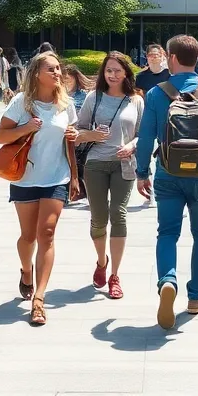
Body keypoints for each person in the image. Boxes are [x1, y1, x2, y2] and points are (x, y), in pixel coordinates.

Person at [136, 35, 198, 329]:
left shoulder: (156, 94)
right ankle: (195, 297)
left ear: (172, 58)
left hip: (168, 174)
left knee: (167, 233)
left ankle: (167, 280)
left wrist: (142, 172)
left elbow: (145, 138)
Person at [0, 51, 80, 326]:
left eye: (58, 68)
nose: (58, 73)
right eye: (51, 69)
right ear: (36, 74)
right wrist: (26, 128)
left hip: (57, 177)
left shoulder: (65, 104)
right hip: (25, 178)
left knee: (47, 233)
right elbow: (1, 136)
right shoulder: (22, 102)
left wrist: (75, 172)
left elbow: (70, 140)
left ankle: (39, 300)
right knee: (28, 236)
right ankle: (25, 269)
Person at [75, 52, 142, 300]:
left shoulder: (135, 100)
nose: (112, 75)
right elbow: (78, 131)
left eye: (117, 70)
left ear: (126, 72)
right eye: (108, 71)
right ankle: (101, 261)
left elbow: (143, 133)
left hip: (124, 164)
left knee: (119, 215)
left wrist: (132, 146)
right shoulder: (94, 97)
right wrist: (92, 135)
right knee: (98, 218)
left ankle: (114, 275)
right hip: (95, 163)